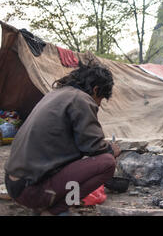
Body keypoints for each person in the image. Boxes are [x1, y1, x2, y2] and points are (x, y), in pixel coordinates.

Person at [4, 61, 121, 216]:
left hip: (14, 184)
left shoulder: (55, 94)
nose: (98, 106)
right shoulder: (81, 99)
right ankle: (55, 210)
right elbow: (94, 147)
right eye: (100, 100)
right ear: (96, 89)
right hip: (31, 190)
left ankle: (45, 205)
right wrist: (110, 149)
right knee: (107, 163)